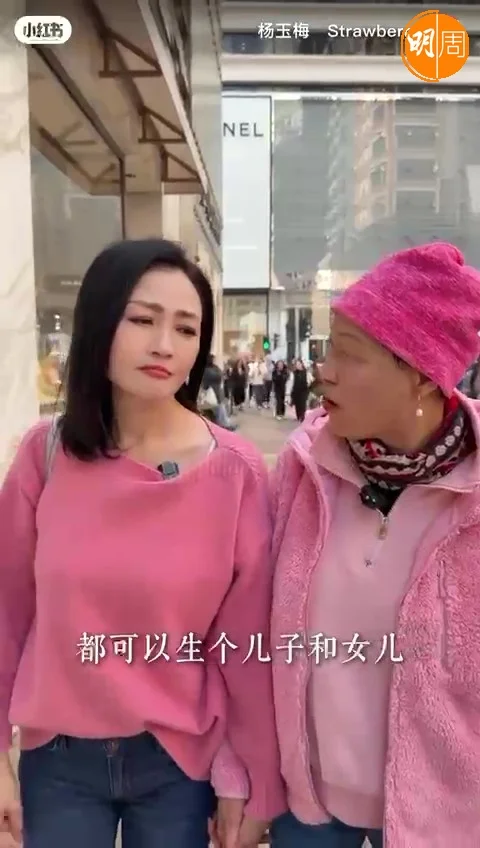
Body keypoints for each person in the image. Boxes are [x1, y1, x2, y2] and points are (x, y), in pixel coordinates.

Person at [0, 239, 285, 848]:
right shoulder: (44, 455)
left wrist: (250, 777)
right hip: (58, 760)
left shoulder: (235, 470)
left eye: (185, 329)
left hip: (178, 761)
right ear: (100, 322)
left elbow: (245, 646)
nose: (164, 345)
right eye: (142, 319)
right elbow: (8, 616)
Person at [269, 242, 480, 847]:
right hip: (308, 805)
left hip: (445, 819)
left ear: (420, 374)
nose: (324, 370)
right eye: (328, 347)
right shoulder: (305, 468)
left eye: (349, 353)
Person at [201, 353, 236, 430]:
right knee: (219, 408)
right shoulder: (206, 370)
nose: (213, 360)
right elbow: (217, 376)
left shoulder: (213, 367)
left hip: (216, 392)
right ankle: (225, 425)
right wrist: (219, 373)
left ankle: (226, 423)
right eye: (212, 359)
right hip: (211, 392)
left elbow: (220, 374)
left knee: (221, 407)